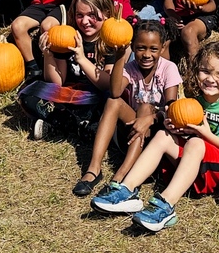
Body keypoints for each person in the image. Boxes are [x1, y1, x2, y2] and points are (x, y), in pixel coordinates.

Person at [91, 40, 219, 232]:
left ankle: (166, 205)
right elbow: (185, 130)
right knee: (163, 136)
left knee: (196, 143)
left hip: (218, 173)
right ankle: (127, 190)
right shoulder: (195, 101)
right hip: (192, 167)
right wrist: (175, 128)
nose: (211, 79)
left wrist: (206, 134)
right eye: (206, 71)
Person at [73, 19, 182, 197]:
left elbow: (171, 108)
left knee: (146, 108)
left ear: (162, 49)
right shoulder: (130, 68)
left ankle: (121, 177)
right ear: (132, 47)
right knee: (112, 101)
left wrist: (151, 118)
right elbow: (115, 91)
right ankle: (94, 169)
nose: (147, 54)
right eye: (140, 48)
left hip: (156, 134)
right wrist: (120, 57)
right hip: (131, 132)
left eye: (153, 49)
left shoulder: (169, 69)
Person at [18, 0, 115, 140]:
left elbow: (108, 84)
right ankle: (70, 123)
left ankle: (60, 124)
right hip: (69, 95)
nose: (85, 21)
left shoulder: (110, 41)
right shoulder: (67, 36)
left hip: (95, 97)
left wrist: (82, 59)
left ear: (106, 13)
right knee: (28, 95)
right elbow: (57, 81)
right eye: (79, 15)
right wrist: (48, 55)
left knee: (110, 101)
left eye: (92, 15)